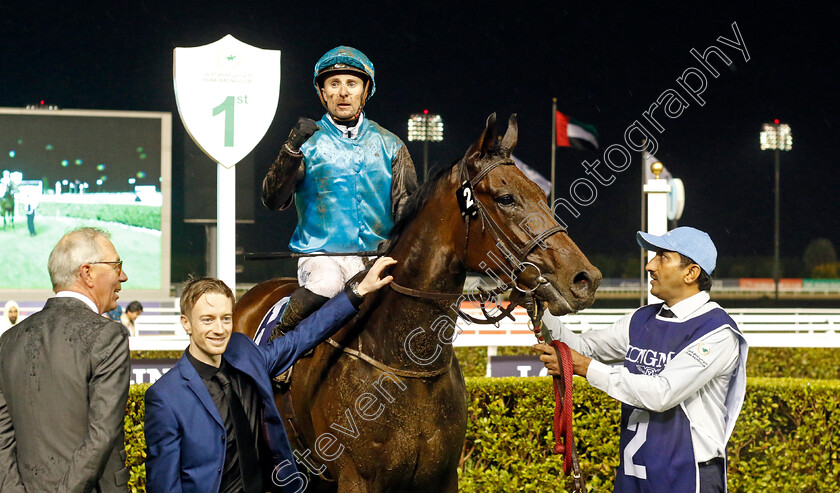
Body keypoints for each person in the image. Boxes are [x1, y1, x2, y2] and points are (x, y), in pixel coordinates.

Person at [144, 256, 397, 493]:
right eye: (207, 320)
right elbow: (164, 485)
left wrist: (358, 291)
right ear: (186, 323)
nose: (219, 329)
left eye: (226, 318)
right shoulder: (165, 397)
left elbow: (303, 336)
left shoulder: (245, 354)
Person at [534, 227, 748, 493]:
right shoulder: (641, 319)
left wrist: (584, 367)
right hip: (634, 476)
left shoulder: (717, 333)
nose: (650, 265)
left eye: (662, 257)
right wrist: (540, 309)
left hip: (688, 478)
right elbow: (582, 347)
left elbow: (662, 393)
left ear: (691, 273)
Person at [261, 45, 417, 337]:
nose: (343, 92)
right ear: (322, 93)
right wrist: (290, 151)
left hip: (376, 256)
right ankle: (277, 341)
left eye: (351, 83)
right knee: (328, 284)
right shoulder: (306, 143)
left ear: (365, 90)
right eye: (334, 84)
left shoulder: (391, 144)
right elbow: (272, 199)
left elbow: (407, 210)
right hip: (321, 256)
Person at [0, 226, 131, 492]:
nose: (123, 276)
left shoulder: (9, 340)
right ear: (87, 273)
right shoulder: (109, 335)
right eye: (117, 266)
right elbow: (102, 435)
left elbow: (2, 439)